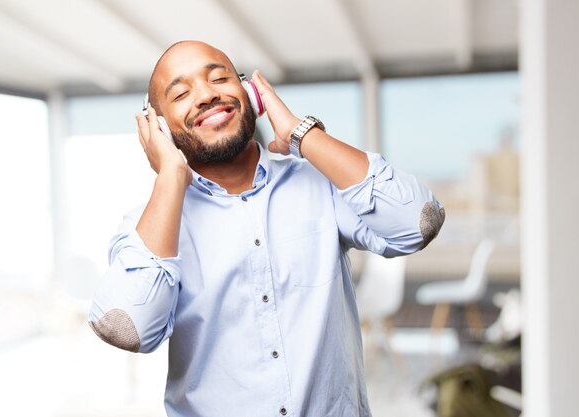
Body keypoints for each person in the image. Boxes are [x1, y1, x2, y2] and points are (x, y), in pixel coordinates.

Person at [89, 40, 445, 417]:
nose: (207, 95)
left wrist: (301, 133)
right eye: (181, 93)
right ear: (157, 126)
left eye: (219, 78)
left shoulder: (320, 183)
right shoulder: (149, 226)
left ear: (251, 95)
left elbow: (419, 222)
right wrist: (170, 175)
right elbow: (129, 329)